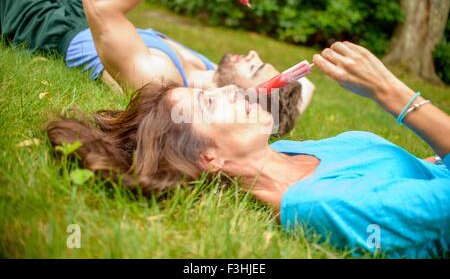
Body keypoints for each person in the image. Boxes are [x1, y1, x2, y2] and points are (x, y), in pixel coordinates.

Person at [48, 39, 450, 258]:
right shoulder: (321, 204)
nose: (224, 89)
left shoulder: (289, 150)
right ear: (209, 158)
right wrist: (393, 94)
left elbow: (420, 169)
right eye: (207, 103)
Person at [0, 0, 315, 136]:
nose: (254, 55)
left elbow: (97, 2)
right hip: (88, 17)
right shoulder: (213, 74)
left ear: (243, 100)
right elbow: (306, 84)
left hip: (48, 30)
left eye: (255, 68)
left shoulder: (162, 81)